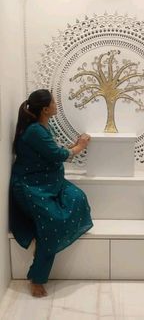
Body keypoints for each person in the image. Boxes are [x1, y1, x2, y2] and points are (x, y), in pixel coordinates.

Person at [9, 89, 93, 297]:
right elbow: (56, 154)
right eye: (54, 102)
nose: (57, 104)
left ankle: (44, 236)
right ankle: (37, 278)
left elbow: (50, 151)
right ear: (46, 109)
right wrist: (80, 146)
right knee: (53, 222)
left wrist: (72, 146)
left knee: (78, 198)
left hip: (50, 182)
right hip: (31, 187)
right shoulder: (35, 131)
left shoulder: (45, 126)